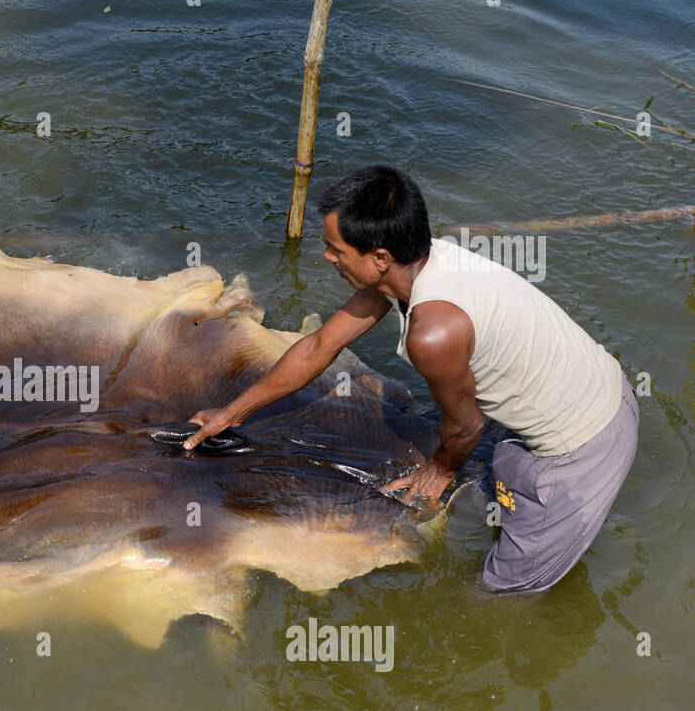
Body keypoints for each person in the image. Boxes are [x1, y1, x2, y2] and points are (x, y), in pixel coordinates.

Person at [183, 165, 637, 594]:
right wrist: (230, 413)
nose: (327, 257)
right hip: (599, 385)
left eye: (337, 249)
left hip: (583, 445)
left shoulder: (434, 332)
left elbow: (467, 427)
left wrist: (436, 472)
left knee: (503, 592)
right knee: (504, 475)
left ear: (380, 257)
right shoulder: (417, 264)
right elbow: (318, 348)